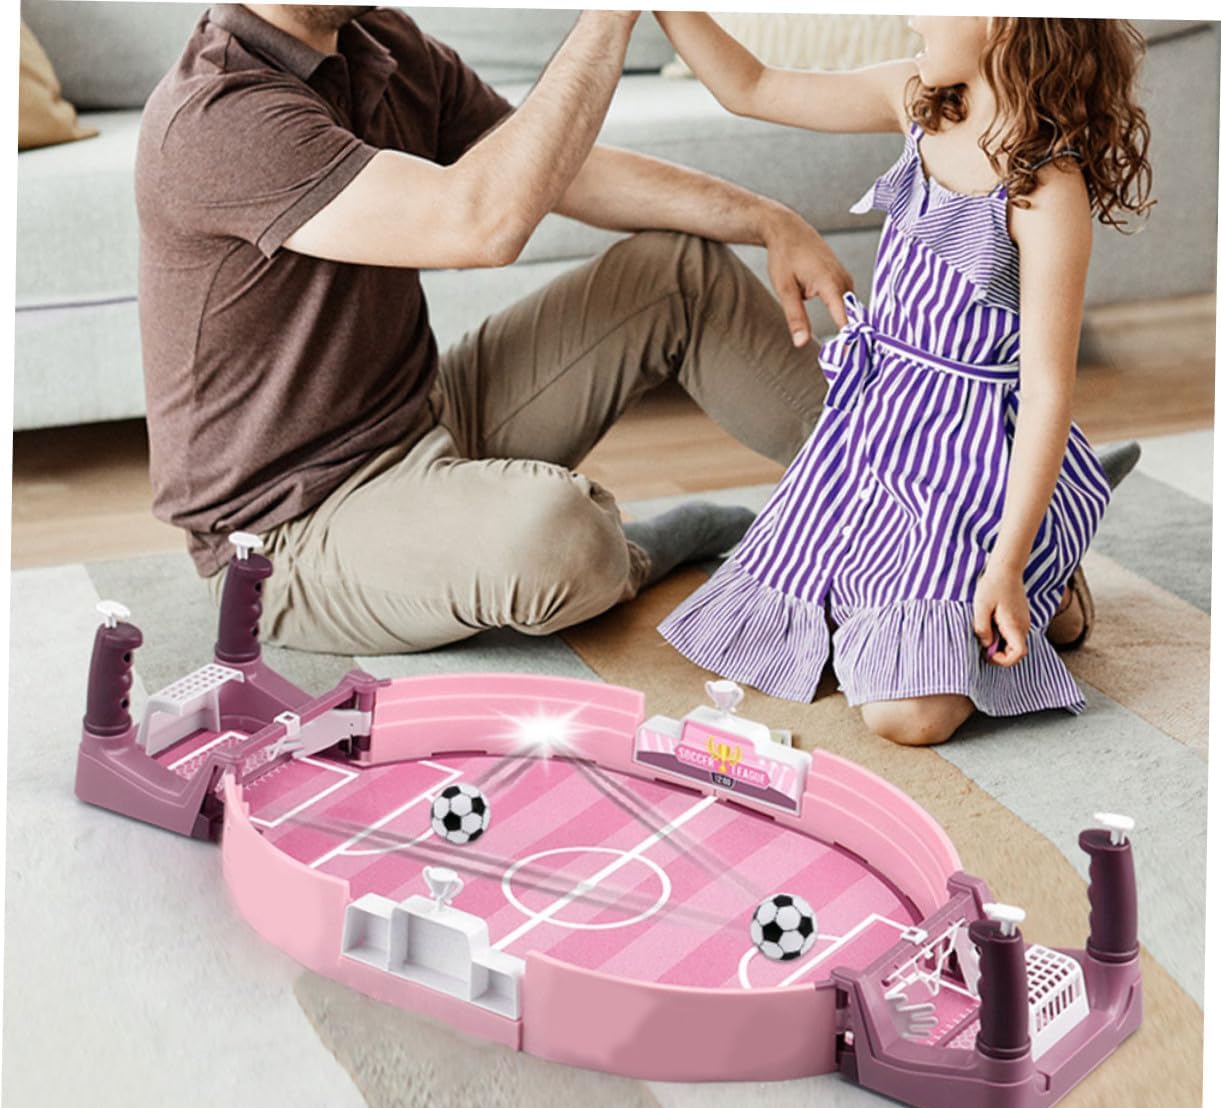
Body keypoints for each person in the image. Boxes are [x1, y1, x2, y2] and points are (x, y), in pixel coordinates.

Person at [135, 4, 858, 655]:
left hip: (421, 414)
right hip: (287, 531)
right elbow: (480, 222)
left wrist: (768, 220)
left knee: (677, 272)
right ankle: (631, 552)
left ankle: (885, 500)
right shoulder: (217, 114)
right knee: (558, 534)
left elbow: (557, 169)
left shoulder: (383, 43)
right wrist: (607, 17)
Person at [656, 15, 1153, 746]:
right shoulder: (917, 97)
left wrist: (1007, 566)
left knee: (907, 715)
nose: (911, 16)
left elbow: (1048, 392)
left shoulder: (1048, 190)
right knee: (788, 629)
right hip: (872, 432)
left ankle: (1046, 565)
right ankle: (1011, 550)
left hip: (969, 464)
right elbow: (748, 86)